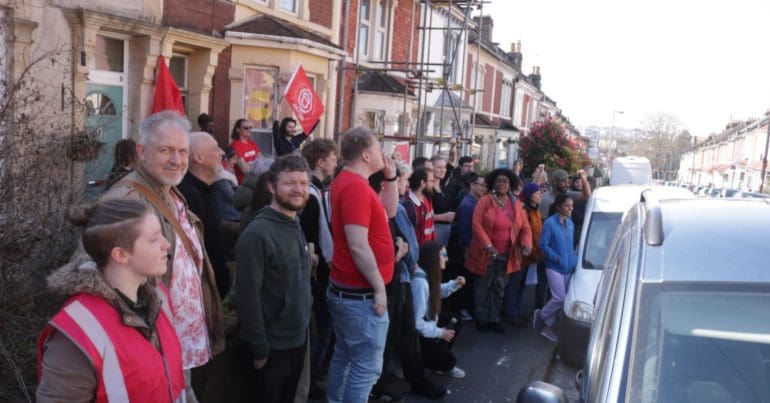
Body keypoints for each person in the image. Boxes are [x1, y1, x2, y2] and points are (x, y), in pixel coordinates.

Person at [100, 111, 224, 401]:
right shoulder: (126, 200)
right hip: (154, 347)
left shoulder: (172, 192)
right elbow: (98, 276)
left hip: (180, 345)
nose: (176, 159)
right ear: (142, 152)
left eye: (182, 151)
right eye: (166, 150)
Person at [37, 199, 185, 402]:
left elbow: (178, 383)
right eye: (154, 239)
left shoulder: (158, 299)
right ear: (121, 254)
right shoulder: (76, 333)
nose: (166, 244)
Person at [326, 126, 398, 403]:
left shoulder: (354, 183)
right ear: (367, 155)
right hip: (360, 296)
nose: (383, 154)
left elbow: (388, 212)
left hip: (351, 293)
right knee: (365, 368)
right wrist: (379, 288)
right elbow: (358, 245)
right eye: (379, 149)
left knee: (345, 357)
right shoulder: (355, 187)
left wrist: (390, 177)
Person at [235, 155, 313, 403]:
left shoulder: (294, 224)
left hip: (296, 341)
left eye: (303, 183)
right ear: (271, 186)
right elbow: (247, 297)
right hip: (271, 349)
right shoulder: (257, 233)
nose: (298, 189)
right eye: (290, 183)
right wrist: (260, 349)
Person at [369, 162, 447, 401]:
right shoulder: (395, 208)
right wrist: (409, 259)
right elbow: (402, 245)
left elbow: (406, 242)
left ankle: (407, 379)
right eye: (403, 180)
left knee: (403, 334)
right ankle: (382, 383)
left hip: (402, 275)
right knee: (394, 335)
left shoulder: (394, 209)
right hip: (398, 277)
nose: (405, 185)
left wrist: (405, 252)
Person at [465, 169, 532, 333]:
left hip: (506, 254)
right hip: (484, 253)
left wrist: (526, 244)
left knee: (499, 287)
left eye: (505, 181)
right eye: (498, 181)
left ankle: (494, 319)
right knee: (482, 287)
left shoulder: (516, 204)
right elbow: (476, 225)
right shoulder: (485, 201)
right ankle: (481, 319)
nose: (501, 184)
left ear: (510, 185)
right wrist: (488, 246)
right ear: (493, 183)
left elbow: (525, 228)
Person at [299, 138, 338, 399]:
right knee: (321, 325)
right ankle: (312, 380)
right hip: (316, 272)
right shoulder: (310, 194)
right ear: (321, 161)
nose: (336, 163)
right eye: (333, 158)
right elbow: (311, 236)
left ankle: (315, 376)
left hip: (321, 269)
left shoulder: (318, 189)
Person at [177, 131, 232, 298]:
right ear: (199, 158)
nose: (222, 153)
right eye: (215, 148)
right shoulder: (188, 194)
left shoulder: (208, 189)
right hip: (200, 291)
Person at [412, 240, 466, 378]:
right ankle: (429, 362)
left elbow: (435, 291)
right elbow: (416, 323)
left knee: (455, 320)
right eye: (444, 255)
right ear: (433, 257)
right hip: (417, 336)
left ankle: (439, 359)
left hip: (429, 325)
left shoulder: (426, 274)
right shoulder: (420, 283)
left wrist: (454, 284)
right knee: (450, 362)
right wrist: (440, 333)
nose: (447, 259)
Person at [533, 194, 577, 342]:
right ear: (558, 207)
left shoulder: (570, 223)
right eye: (567, 205)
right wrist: (556, 258)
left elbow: (571, 246)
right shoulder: (550, 223)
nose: (571, 208)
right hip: (554, 267)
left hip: (569, 267)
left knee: (561, 299)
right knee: (559, 297)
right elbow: (543, 245)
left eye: (571, 205)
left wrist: (574, 260)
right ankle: (541, 316)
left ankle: (546, 326)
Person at [502, 183, 545, 326]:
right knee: (514, 284)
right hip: (522, 255)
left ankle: (515, 311)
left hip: (531, 255)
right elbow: (522, 233)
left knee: (521, 284)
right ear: (529, 196)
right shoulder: (524, 210)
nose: (540, 196)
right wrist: (531, 251)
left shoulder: (536, 210)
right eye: (537, 193)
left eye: (540, 193)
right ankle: (511, 313)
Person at [448, 172, 487, 320]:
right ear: (472, 185)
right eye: (481, 185)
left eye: (485, 186)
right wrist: (467, 250)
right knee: (465, 281)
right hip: (466, 250)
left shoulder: (477, 201)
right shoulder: (467, 204)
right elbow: (465, 232)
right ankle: (462, 309)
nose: (484, 188)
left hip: (474, 248)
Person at [402, 167, 437, 246]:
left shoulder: (426, 200)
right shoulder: (408, 206)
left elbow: (430, 228)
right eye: (431, 181)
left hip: (427, 250)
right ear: (422, 183)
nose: (433, 184)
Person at [429, 155, 456, 246]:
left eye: (444, 167)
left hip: (446, 229)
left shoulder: (442, 184)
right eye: (439, 167)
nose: (443, 170)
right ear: (431, 168)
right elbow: (421, 214)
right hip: (434, 229)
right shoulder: (427, 189)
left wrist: (453, 146)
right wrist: (442, 217)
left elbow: (452, 162)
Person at [230, 118, 261, 185]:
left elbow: (262, 161)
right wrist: (257, 165)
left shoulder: (252, 143)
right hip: (243, 184)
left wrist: (250, 165)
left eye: (250, 127)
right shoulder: (235, 145)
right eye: (246, 128)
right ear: (238, 130)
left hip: (255, 181)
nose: (249, 130)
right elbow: (245, 169)